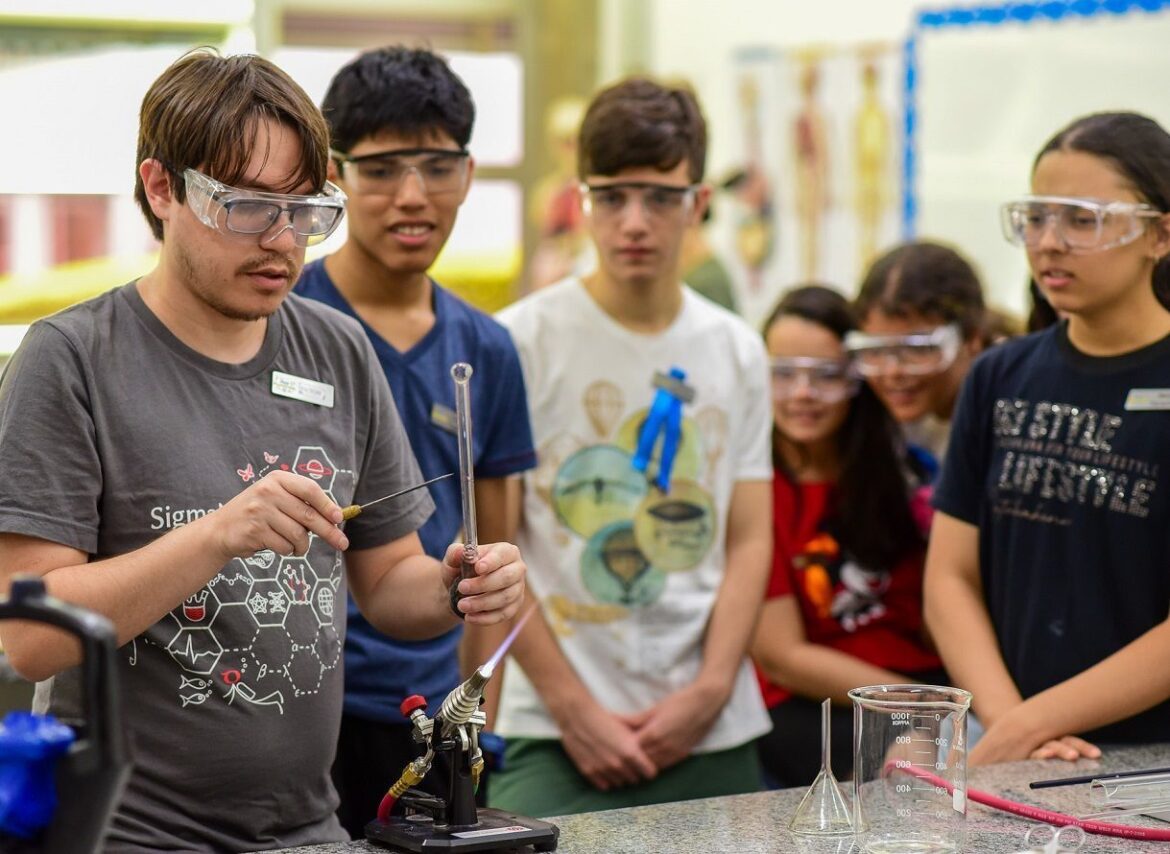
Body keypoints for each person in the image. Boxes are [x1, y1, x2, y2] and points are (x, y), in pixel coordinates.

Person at [0, 50, 527, 853]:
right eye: (246, 207)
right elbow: (31, 635)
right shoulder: (71, 358)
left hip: (306, 830)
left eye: (306, 210)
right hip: (126, 833)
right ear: (161, 187)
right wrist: (218, 535)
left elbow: (388, 584)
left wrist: (458, 585)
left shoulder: (337, 348)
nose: (283, 241)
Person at [488, 77, 774, 817]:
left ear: (699, 203)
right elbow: (499, 545)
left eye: (660, 197)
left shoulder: (737, 349)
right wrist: (572, 708)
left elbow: (747, 538)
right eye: (611, 197)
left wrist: (712, 688)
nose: (634, 223)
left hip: (712, 721)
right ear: (581, 201)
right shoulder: (520, 341)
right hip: (554, 725)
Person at [293, 46, 536, 836]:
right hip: (293, 707)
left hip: (429, 715)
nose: (412, 196)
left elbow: (494, 546)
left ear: (468, 173)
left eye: (436, 167)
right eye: (382, 168)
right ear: (335, 176)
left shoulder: (487, 349)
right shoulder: (282, 321)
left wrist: (479, 719)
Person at [925, 111, 1170, 765]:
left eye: (1082, 219)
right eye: (1036, 218)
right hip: (1011, 741)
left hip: (1145, 759)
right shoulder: (999, 375)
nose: (1049, 242)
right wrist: (1010, 724)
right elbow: (949, 577)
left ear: (1160, 234)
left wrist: (1030, 724)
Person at [751, 285, 944, 787]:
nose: (801, 394)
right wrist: (917, 708)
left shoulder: (905, 474)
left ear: (857, 379)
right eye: (782, 373)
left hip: (921, 686)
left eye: (825, 376)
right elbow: (782, 657)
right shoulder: (753, 489)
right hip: (811, 704)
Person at [849, 240, 987, 474]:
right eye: (876, 350)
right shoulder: (881, 425)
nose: (893, 372)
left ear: (972, 338)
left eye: (918, 349)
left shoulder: (1001, 428)